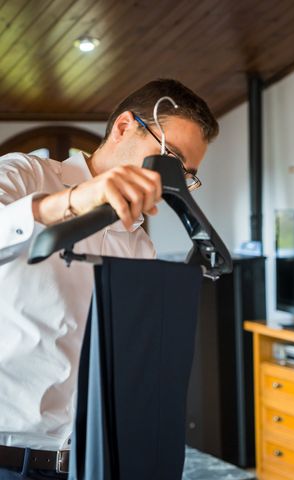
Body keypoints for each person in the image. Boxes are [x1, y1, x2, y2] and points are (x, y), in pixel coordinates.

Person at [0, 79, 219, 479]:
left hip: (92, 461)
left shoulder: (138, 247)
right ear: (122, 128)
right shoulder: (25, 175)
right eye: (168, 158)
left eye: (186, 174)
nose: (171, 182)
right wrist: (70, 202)